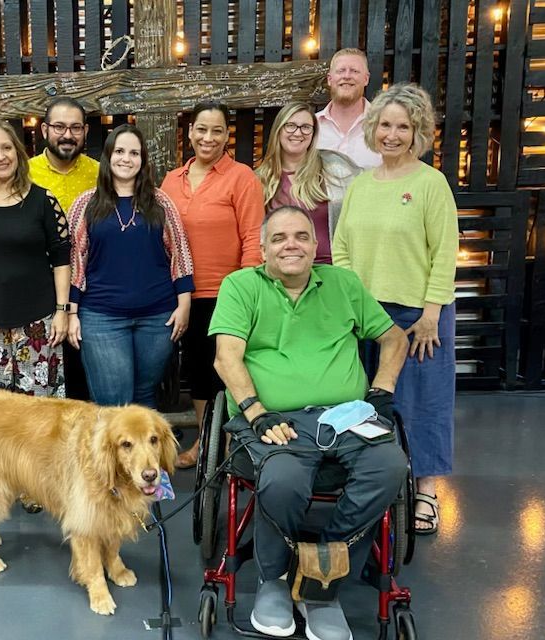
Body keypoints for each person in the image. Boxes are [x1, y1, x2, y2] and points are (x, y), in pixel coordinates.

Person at [210, 205, 409, 640]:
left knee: (389, 467)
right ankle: (274, 581)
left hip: (346, 417)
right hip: (271, 418)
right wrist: (257, 413)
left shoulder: (344, 284)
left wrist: (382, 392)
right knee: (281, 477)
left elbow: (394, 337)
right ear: (262, 248)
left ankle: (321, 578)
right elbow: (227, 357)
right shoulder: (241, 286)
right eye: (279, 238)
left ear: (315, 245)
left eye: (301, 236)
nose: (291, 245)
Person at [332, 82, 459, 536]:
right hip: (368, 315)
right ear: (373, 129)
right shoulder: (362, 185)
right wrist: (351, 304)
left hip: (418, 313)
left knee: (423, 404)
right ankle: (371, 482)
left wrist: (431, 314)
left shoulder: (431, 183)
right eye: (385, 124)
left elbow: (445, 253)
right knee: (368, 401)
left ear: (418, 132)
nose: (392, 134)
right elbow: (343, 247)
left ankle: (425, 490)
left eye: (403, 127)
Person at [161, 101, 265, 468]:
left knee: (228, 370)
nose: (208, 137)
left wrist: (249, 292)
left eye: (217, 130)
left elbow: (253, 237)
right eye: (201, 129)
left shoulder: (242, 178)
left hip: (228, 293)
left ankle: (231, 443)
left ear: (226, 136)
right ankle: (206, 443)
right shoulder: (171, 181)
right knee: (198, 373)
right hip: (185, 294)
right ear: (189, 133)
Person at [66, 123, 194, 408]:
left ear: (143, 160)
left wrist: (184, 306)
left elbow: (180, 253)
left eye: (134, 153)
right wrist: (72, 313)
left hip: (157, 318)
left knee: (145, 396)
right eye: (120, 151)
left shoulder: (161, 202)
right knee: (114, 403)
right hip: (101, 318)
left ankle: (145, 455)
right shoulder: (87, 203)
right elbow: (75, 260)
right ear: (108, 157)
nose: (126, 159)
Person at [0, 119, 71, 398]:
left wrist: (62, 311)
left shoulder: (43, 201)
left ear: (18, 152)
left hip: (38, 322)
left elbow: (62, 259)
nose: (0, 157)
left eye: (6, 148)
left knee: (40, 413)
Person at [29, 96, 100, 401]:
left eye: (75, 128)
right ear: (45, 129)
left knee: (85, 371)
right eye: (59, 127)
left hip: (91, 286)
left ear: (85, 131)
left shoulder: (100, 172)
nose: (67, 135)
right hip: (42, 284)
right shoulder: (26, 172)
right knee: (47, 371)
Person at [256, 101, 360, 263]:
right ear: (278, 130)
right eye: (290, 126)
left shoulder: (335, 166)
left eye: (306, 127)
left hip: (332, 266)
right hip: (283, 269)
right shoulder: (261, 179)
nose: (298, 133)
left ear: (313, 133)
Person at [316, 48, 382, 170]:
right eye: (341, 71)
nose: (346, 76)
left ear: (366, 79)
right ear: (330, 79)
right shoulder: (311, 126)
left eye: (354, 71)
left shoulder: (384, 124)